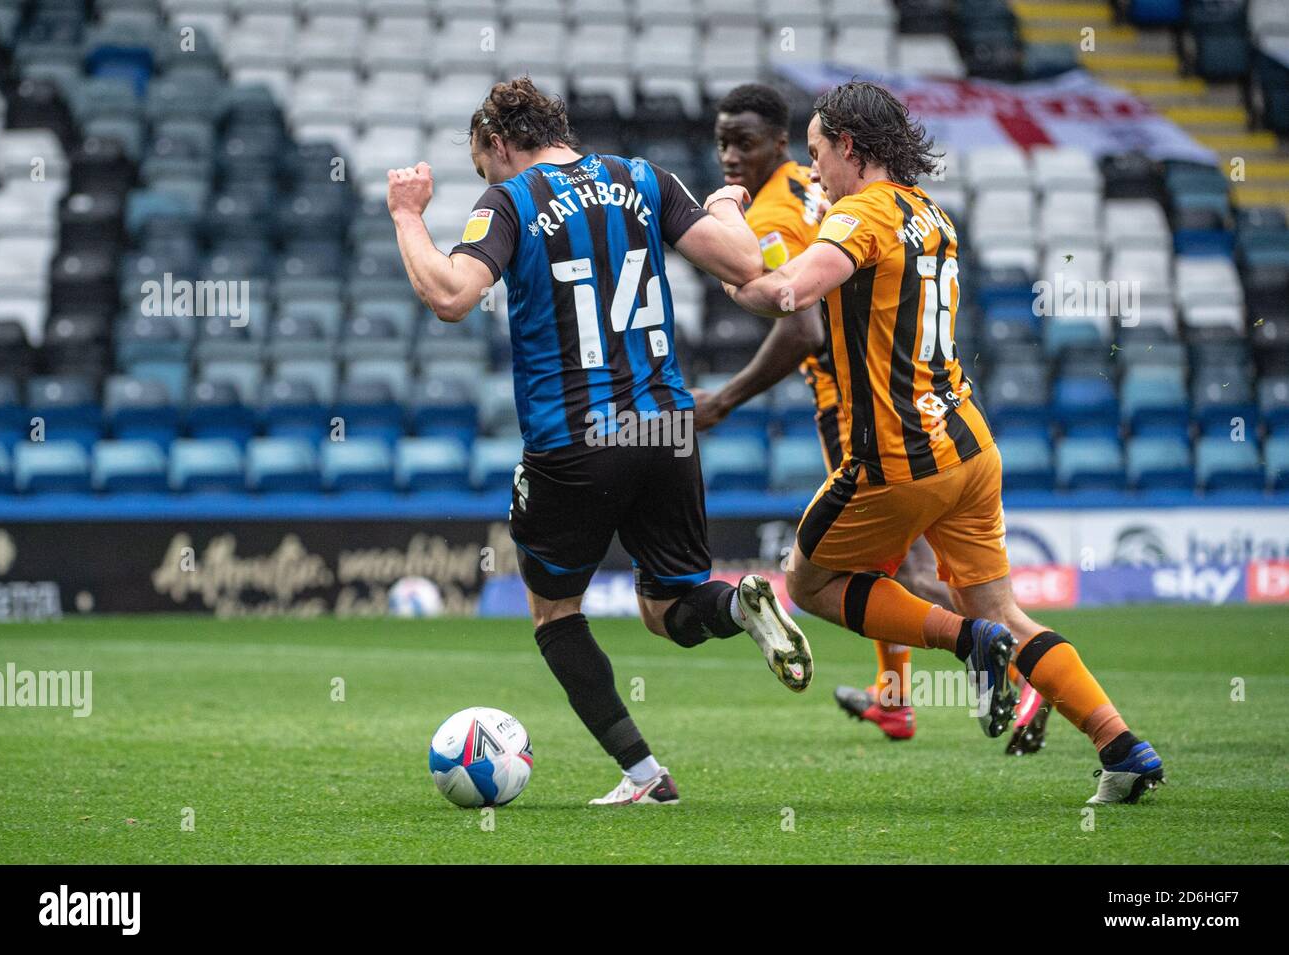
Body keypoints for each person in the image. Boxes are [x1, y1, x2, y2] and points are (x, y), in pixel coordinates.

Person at [724, 79, 1165, 804]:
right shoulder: (933, 214)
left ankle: (965, 646)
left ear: (849, 148)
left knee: (808, 582)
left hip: (899, 458)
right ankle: (1123, 745)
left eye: (817, 155)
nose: (814, 175)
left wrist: (718, 237)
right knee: (1005, 611)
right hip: (969, 446)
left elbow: (785, 294)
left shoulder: (858, 214)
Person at [388, 77, 813, 807]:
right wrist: (721, 203)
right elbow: (749, 268)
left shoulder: (511, 201)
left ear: (498, 144)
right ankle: (741, 608)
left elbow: (452, 296)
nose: (485, 178)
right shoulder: (641, 178)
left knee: (556, 612)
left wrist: (406, 215)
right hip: (665, 427)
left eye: (482, 163)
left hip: (576, 439)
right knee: (669, 607)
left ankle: (645, 774)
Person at [698, 83, 1049, 746]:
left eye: (743, 142)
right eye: (721, 142)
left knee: (897, 571)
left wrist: (721, 398)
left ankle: (1021, 667)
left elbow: (798, 320)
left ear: (784, 146)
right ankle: (896, 695)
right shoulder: (811, 183)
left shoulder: (775, 211)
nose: (729, 155)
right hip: (908, 407)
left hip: (861, 406)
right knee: (887, 567)